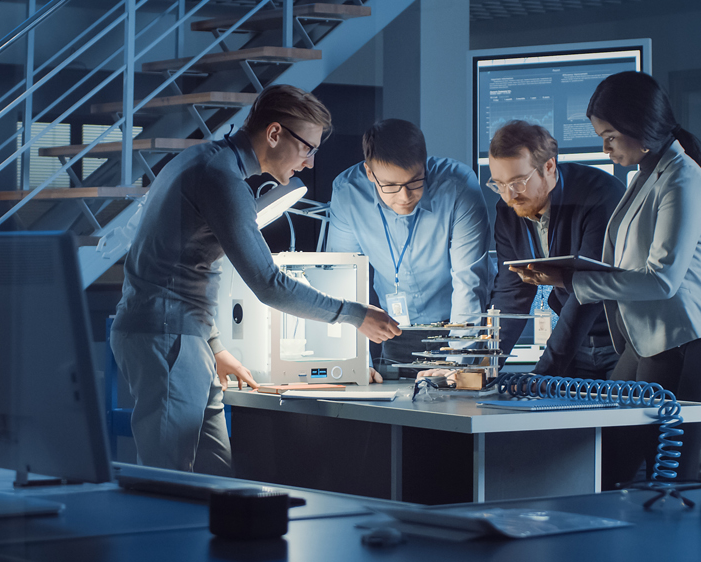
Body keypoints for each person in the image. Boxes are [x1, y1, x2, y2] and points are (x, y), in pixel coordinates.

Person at [109, 85, 402, 475]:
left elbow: (179, 263)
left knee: (218, 478)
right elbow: (269, 284)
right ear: (275, 134)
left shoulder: (202, 159)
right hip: (167, 338)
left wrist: (213, 345)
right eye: (307, 149)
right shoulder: (222, 178)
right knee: (168, 481)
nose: (310, 163)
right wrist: (355, 314)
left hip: (181, 336)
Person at [510, 71, 701, 489]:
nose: (605, 147)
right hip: (646, 340)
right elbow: (627, 267)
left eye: (610, 136)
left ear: (640, 127)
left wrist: (576, 283)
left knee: (669, 482)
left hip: (689, 342)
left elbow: (662, 281)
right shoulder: (646, 175)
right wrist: (563, 276)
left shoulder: (682, 179)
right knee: (606, 465)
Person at [327, 119, 492, 378]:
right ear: (370, 173)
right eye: (391, 186)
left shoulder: (458, 186)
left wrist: (457, 361)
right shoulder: (347, 192)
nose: (405, 197)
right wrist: (357, 360)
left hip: (460, 324)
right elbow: (342, 278)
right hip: (393, 330)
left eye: (415, 182)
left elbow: (469, 280)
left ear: (424, 166)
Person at [486, 121, 625, 379]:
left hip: (621, 342)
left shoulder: (600, 195)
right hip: (574, 344)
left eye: (518, 182)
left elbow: (588, 294)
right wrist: (484, 365)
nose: (508, 196)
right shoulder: (508, 209)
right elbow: (511, 291)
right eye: (499, 184)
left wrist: (541, 375)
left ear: (549, 166)